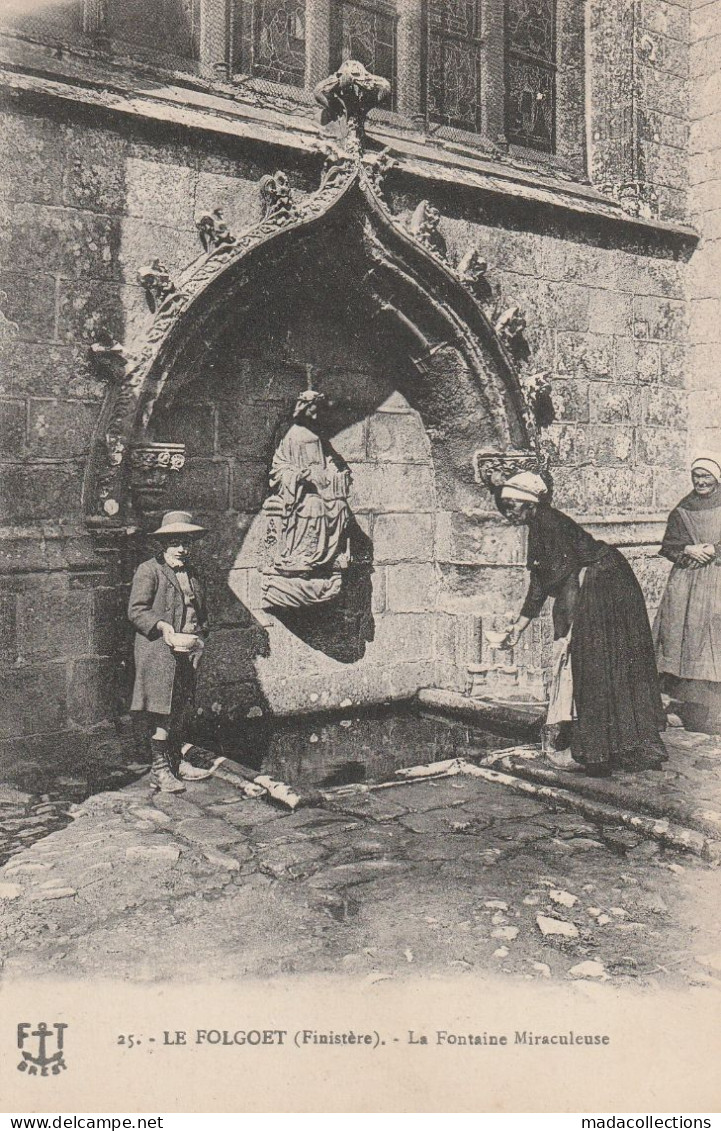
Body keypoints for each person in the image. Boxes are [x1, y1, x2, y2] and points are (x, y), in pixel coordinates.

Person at [500, 472, 667, 777]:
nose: (507, 513)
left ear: (528, 504)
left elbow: (569, 583)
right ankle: (619, 746)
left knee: (593, 665)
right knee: (609, 666)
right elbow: (539, 583)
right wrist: (519, 628)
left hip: (603, 584)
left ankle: (597, 756)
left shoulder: (548, 525)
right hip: (603, 580)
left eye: (510, 506)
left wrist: (566, 630)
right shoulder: (540, 523)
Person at [128, 510, 213, 793]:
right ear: (163, 545)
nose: (181, 549)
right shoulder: (149, 570)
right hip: (159, 652)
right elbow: (136, 611)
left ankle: (177, 762)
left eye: (186, 542)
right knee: (161, 712)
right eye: (175, 542)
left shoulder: (193, 572)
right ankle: (160, 770)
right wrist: (163, 626)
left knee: (181, 709)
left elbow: (199, 610)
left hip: (187, 651)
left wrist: (200, 637)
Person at [653, 454, 721, 734]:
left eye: (706, 477)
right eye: (697, 477)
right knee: (685, 639)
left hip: (717, 578)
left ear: (717, 479)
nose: (701, 482)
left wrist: (715, 549)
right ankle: (690, 709)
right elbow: (669, 544)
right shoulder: (683, 508)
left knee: (714, 638)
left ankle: (714, 713)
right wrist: (686, 550)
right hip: (687, 581)